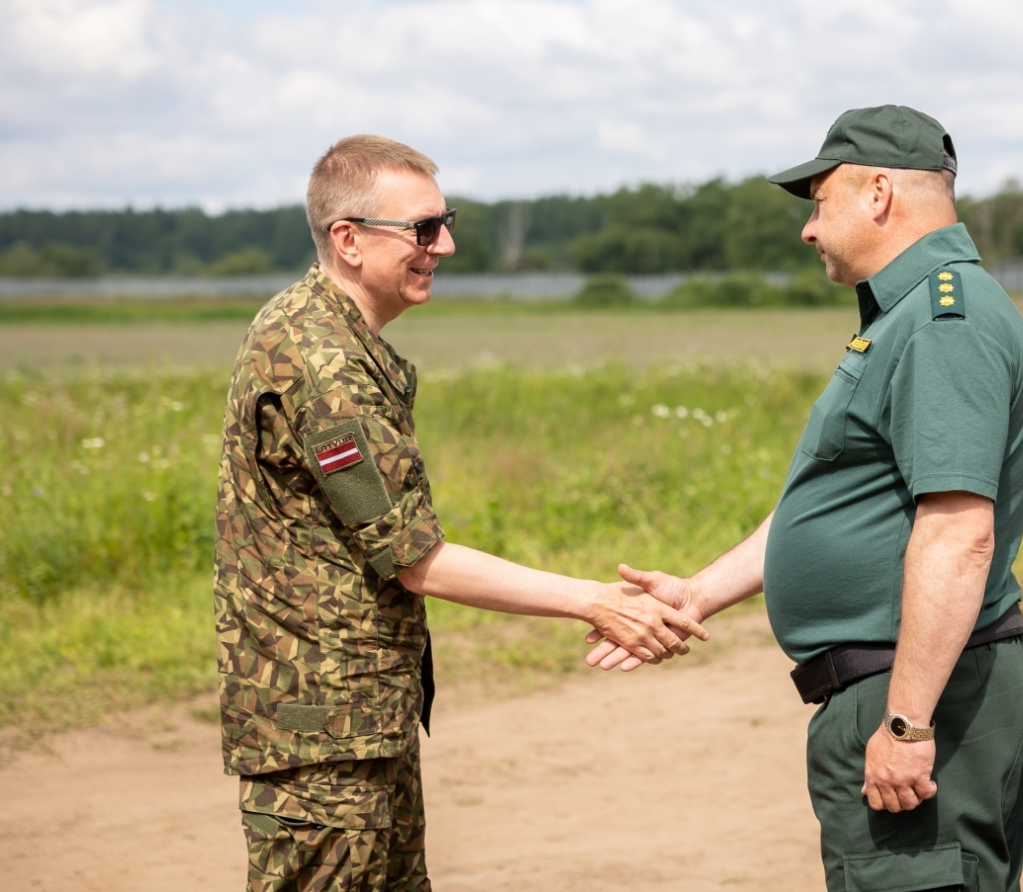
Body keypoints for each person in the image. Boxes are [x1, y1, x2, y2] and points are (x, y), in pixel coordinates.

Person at [214, 134, 706, 892]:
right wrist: (597, 600)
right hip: (323, 732)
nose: (443, 244)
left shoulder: (327, 332)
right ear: (348, 239)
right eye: (421, 229)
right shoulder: (322, 362)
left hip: (356, 715)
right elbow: (414, 557)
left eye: (444, 222)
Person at [587, 105, 1023, 892]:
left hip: (919, 688)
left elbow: (956, 536)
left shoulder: (943, 321)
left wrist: (904, 722)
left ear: (877, 192)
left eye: (819, 200)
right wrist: (697, 592)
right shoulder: (911, 314)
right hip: (903, 682)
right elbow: (845, 500)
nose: (808, 227)